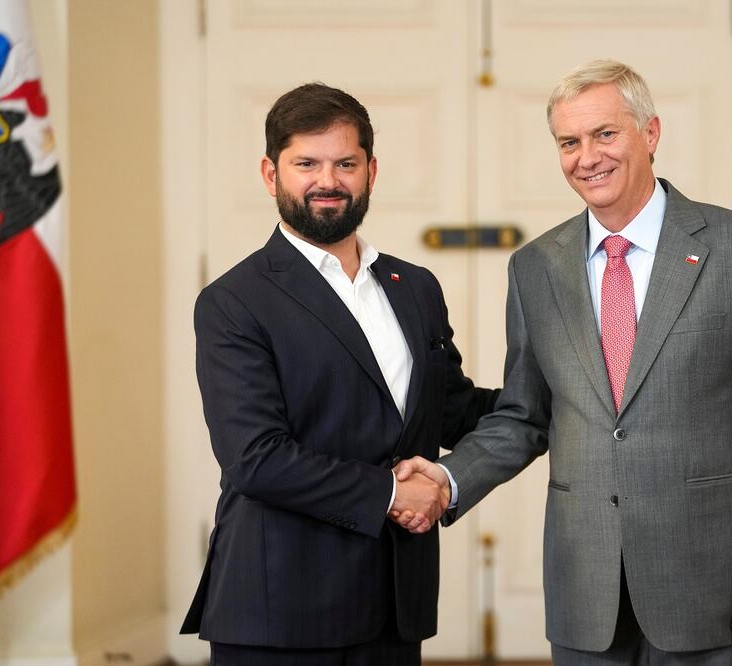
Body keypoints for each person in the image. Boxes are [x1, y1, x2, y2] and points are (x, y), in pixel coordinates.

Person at [393, 59, 732, 665]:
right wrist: (447, 478)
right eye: (569, 142)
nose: (586, 156)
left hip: (714, 588)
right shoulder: (536, 268)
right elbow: (524, 415)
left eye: (605, 134)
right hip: (584, 592)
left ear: (650, 133)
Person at [180, 82, 498, 665]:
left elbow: (450, 409)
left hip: (393, 604)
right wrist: (395, 493)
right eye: (306, 163)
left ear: (371, 171)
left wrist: (567, 394)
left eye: (345, 163)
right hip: (279, 610)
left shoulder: (416, 288)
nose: (328, 180)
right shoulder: (233, 301)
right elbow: (256, 458)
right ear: (270, 174)